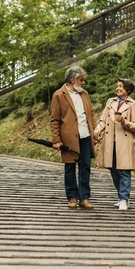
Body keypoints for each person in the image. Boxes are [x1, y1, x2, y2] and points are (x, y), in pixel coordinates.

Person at [50, 66, 98, 209]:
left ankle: (85, 198)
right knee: (69, 167)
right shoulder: (58, 95)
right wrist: (56, 140)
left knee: (85, 167)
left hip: (85, 136)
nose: (83, 83)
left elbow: (91, 115)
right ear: (73, 80)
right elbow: (54, 120)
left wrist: (94, 132)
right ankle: (72, 197)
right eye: (81, 80)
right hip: (68, 138)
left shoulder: (85, 94)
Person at [93, 78, 135, 211]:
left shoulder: (133, 104)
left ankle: (124, 199)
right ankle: (121, 196)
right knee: (113, 170)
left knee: (124, 171)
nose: (118, 88)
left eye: (121, 86)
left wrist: (124, 121)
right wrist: (96, 131)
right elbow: (103, 120)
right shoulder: (110, 102)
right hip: (110, 141)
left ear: (128, 90)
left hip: (124, 142)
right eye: (117, 86)